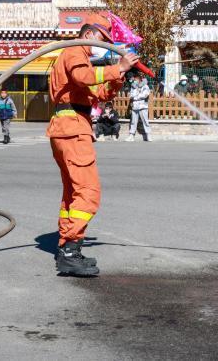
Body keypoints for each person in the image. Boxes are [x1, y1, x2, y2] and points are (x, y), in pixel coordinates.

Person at [47, 19, 139, 276]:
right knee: (88, 193)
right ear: (89, 34)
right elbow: (82, 76)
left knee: (72, 194)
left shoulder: (80, 57)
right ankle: (69, 252)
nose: (105, 46)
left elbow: (99, 93)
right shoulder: (75, 51)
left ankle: (67, 246)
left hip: (70, 126)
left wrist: (120, 74)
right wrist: (116, 66)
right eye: (103, 39)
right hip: (73, 127)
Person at [126, 73, 152, 142]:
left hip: (143, 106)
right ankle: (131, 135)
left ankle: (148, 135)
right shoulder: (133, 86)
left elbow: (145, 95)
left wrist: (136, 96)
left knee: (145, 121)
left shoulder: (145, 86)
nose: (135, 80)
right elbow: (131, 95)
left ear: (139, 79)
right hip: (135, 106)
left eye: (136, 78)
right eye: (134, 78)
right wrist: (137, 95)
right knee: (133, 121)